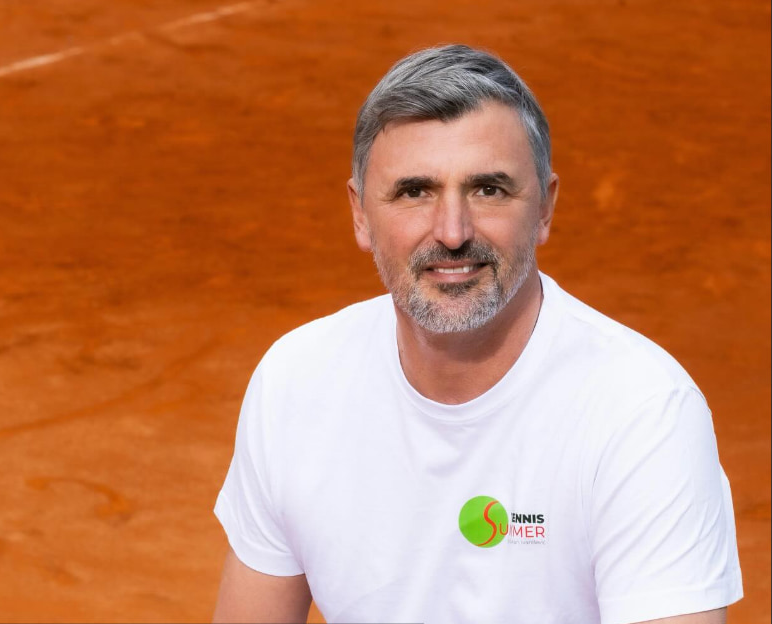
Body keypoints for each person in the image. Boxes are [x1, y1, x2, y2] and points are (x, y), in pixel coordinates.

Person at [211, 44, 743, 624]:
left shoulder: (643, 414)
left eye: (488, 189)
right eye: (414, 191)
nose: (452, 232)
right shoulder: (295, 383)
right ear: (360, 214)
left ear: (545, 209)